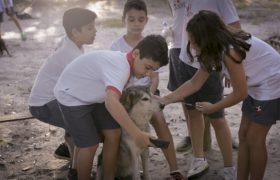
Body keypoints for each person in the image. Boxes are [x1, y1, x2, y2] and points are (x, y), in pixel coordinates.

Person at [160, 10, 280, 180]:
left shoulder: (230, 52)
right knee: (243, 135)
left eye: (193, 41)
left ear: (206, 39)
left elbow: (240, 93)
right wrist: (165, 99)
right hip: (256, 85)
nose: (192, 46)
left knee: (254, 139)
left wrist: (213, 107)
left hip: (272, 85)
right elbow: (195, 83)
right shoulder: (214, 50)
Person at [53, 34, 169, 180]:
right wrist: (136, 134)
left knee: (114, 132)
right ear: (136, 53)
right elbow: (111, 102)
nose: (148, 74)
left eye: (153, 70)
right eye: (147, 67)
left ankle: (108, 177)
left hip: (93, 97)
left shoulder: (129, 65)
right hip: (71, 97)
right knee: (90, 144)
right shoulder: (120, 68)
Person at [110, 1, 185, 179]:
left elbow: (154, 77)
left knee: (159, 119)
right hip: (124, 94)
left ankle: (173, 167)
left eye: (140, 19)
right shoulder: (116, 45)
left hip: (148, 92)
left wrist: (149, 95)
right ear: (123, 20)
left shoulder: (151, 45)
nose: (136, 23)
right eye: (131, 19)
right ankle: (118, 167)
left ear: (146, 20)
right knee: (116, 124)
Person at [170, 0, 242, 179]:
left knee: (217, 118)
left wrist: (230, 67)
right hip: (185, 59)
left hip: (210, 62)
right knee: (192, 112)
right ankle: (198, 158)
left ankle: (229, 168)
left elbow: (236, 30)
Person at [28, 7, 97, 178]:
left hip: (50, 100)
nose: (95, 31)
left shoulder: (72, 43)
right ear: (75, 31)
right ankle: (75, 170)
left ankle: (70, 154)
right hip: (43, 105)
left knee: (80, 113)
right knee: (87, 125)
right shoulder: (70, 53)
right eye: (90, 28)